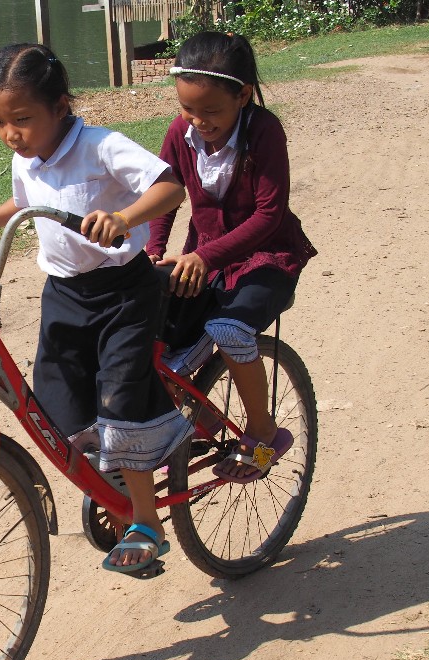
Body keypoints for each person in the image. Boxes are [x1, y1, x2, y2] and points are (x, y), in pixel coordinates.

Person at [0, 43, 191, 575]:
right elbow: (25, 200)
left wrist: (124, 217)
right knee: (55, 401)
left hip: (124, 290)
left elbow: (170, 186)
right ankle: (117, 477)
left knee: (121, 397)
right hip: (65, 294)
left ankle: (146, 519)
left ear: (59, 107)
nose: (11, 133)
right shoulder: (24, 157)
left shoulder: (101, 147)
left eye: (22, 119)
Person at [148, 31, 317, 483]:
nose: (198, 121)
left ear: (242, 95)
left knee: (229, 329)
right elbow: (165, 195)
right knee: (147, 339)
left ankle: (264, 434)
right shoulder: (180, 134)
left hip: (267, 258)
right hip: (204, 261)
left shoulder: (263, 131)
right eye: (188, 109)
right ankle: (197, 430)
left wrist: (205, 255)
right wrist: (153, 252)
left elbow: (269, 214)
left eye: (211, 111)